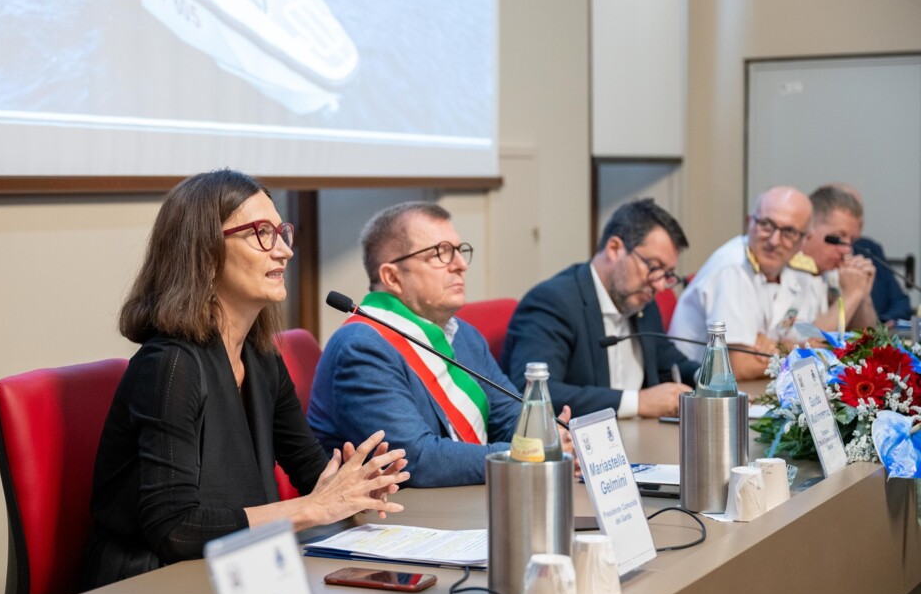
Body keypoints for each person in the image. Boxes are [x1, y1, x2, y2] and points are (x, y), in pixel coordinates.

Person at [80, 170, 409, 590]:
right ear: (204, 251)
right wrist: (315, 507)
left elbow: (310, 470)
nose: (285, 251)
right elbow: (175, 530)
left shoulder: (260, 357)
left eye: (282, 232)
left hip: (236, 572)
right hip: (146, 587)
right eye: (261, 233)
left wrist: (356, 485)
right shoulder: (169, 366)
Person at [308, 201, 572, 488]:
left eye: (459, 251)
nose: (460, 265)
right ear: (392, 277)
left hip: (465, 498)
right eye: (440, 253)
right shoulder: (361, 348)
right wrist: (528, 456)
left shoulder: (462, 333)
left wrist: (546, 436)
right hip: (399, 517)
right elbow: (416, 460)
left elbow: (510, 418)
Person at [501, 198, 697, 419]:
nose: (660, 285)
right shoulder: (553, 302)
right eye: (654, 267)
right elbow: (535, 391)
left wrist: (709, 379)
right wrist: (639, 402)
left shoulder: (642, 300)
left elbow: (667, 359)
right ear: (614, 248)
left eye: (668, 274)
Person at [669, 186, 823, 380]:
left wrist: (779, 347)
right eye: (766, 225)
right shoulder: (733, 268)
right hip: (699, 393)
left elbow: (813, 340)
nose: (774, 241)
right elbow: (739, 366)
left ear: (804, 240)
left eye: (789, 232)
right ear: (749, 222)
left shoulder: (793, 272)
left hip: (752, 388)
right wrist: (791, 349)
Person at [799, 184, 877, 330]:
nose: (846, 250)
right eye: (837, 238)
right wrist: (852, 294)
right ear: (808, 228)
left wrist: (862, 295)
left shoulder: (836, 273)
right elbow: (810, 343)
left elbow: (868, 342)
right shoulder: (784, 269)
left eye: (852, 241)